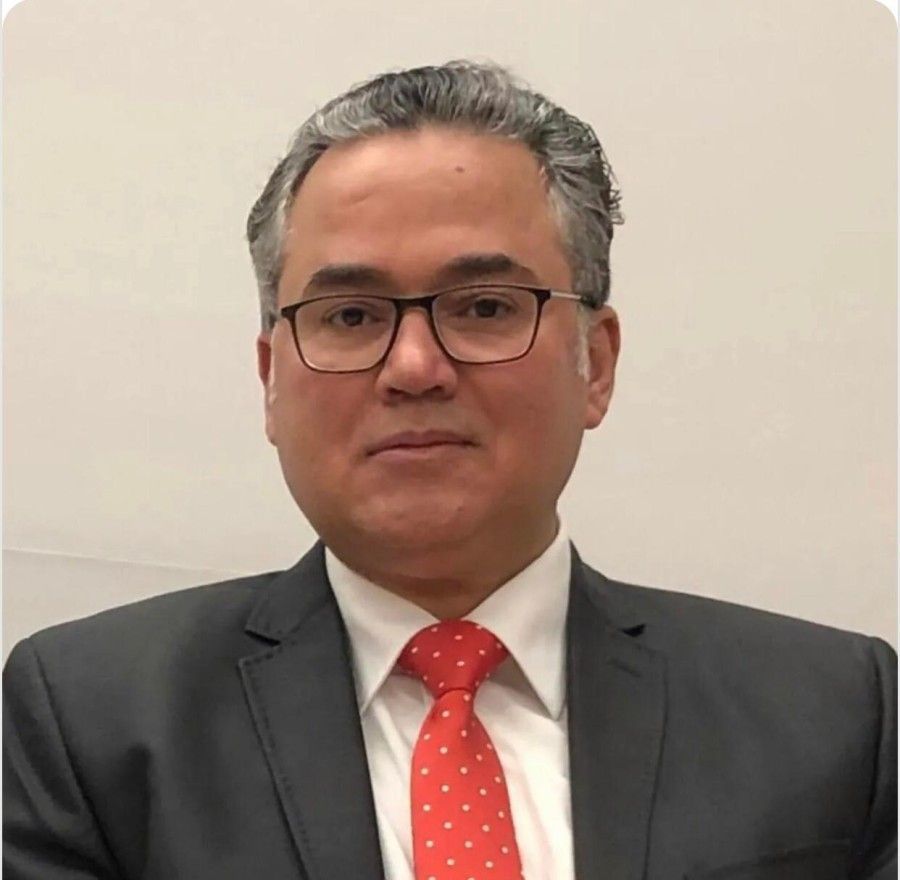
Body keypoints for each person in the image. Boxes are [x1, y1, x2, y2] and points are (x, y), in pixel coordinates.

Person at [3, 60, 895, 880]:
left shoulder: (835, 715)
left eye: (484, 307)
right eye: (351, 316)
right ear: (272, 379)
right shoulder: (89, 721)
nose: (414, 367)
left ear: (596, 362)